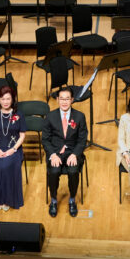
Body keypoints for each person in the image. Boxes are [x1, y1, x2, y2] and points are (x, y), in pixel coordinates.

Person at [42, 87, 88, 217]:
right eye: (61, 98)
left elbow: (82, 139)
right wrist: (52, 155)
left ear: (72, 100)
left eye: (67, 99)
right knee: (54, 171)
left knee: (73, 171)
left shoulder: (79, 116)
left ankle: (72, 199)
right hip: (55, 152)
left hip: (73, 152)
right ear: (57, 100)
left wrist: (75, 154)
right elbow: (45, 140)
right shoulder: (50, 117)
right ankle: (54, 200)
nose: (64, 102)